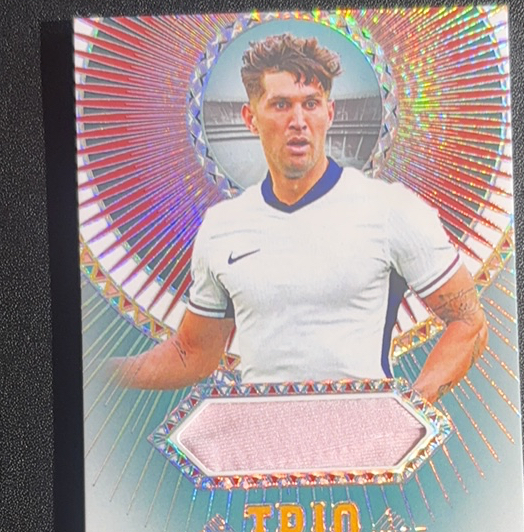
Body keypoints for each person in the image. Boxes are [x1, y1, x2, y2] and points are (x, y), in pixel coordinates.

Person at [111, 33, 487, 403]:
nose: (298, 121)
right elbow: (193, 354)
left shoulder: (390, 210)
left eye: (311, 103)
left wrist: (408, 410)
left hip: (362, 440)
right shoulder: (221, 227)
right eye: (280, 105)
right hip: (261, 440)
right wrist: (97, 375)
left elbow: (469, 323)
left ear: (329, 113)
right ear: (250, 118)